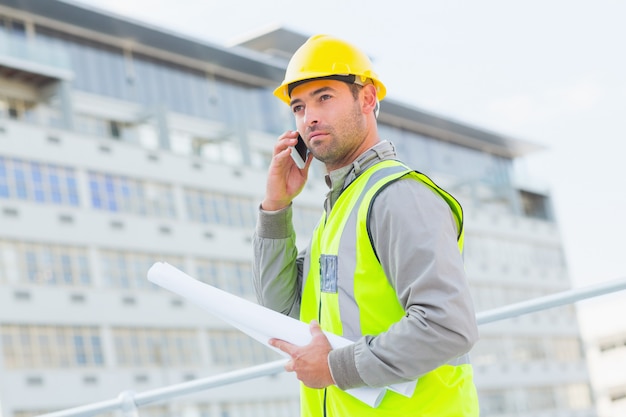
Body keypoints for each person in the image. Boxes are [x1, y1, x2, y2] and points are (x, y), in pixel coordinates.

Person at [252, 34, 480, 416]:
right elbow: (282, 311)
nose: (310, 117)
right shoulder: (338, 211)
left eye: (324, 97)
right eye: (298, 107)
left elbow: (448, 326)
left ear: (368, 99)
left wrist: (333, 367)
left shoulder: (398, 196)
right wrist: (275, 206)